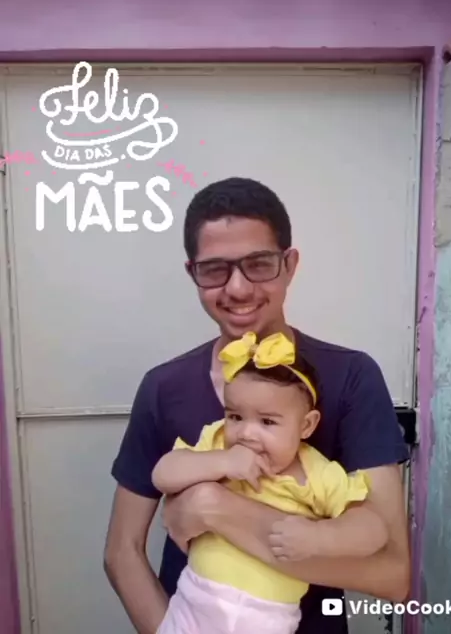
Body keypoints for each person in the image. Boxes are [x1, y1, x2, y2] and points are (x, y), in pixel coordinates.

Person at [104, 177, 411, 634]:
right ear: (192, 273)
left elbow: (392, 575)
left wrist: (214, 508)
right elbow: (121, 550)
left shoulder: (351, 378)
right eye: (214, 269)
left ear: (289, 265)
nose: (238, 288)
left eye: (259, 264)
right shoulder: (163, 387)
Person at [151, 330, 389, 634]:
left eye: (267, 422)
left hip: (267, 618)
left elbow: (374, 528)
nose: (246, 433)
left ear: (306, 425)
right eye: (235, 416)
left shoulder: (315, 473)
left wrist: (320, 537)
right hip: (194, 603)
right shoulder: (218, 441)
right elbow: (163, 474)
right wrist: (220, 462)